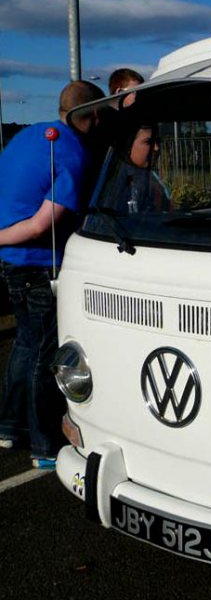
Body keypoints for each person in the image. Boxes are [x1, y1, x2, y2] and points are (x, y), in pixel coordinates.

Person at [0, 80, 105, 469]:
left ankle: (10, 427)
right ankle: (45, 444)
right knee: (46, 353)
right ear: (92, 116)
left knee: (25, 344)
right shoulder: (71, 152)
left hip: (12, 263)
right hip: (41, 263)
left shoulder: (27, 137)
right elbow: (42, 225)